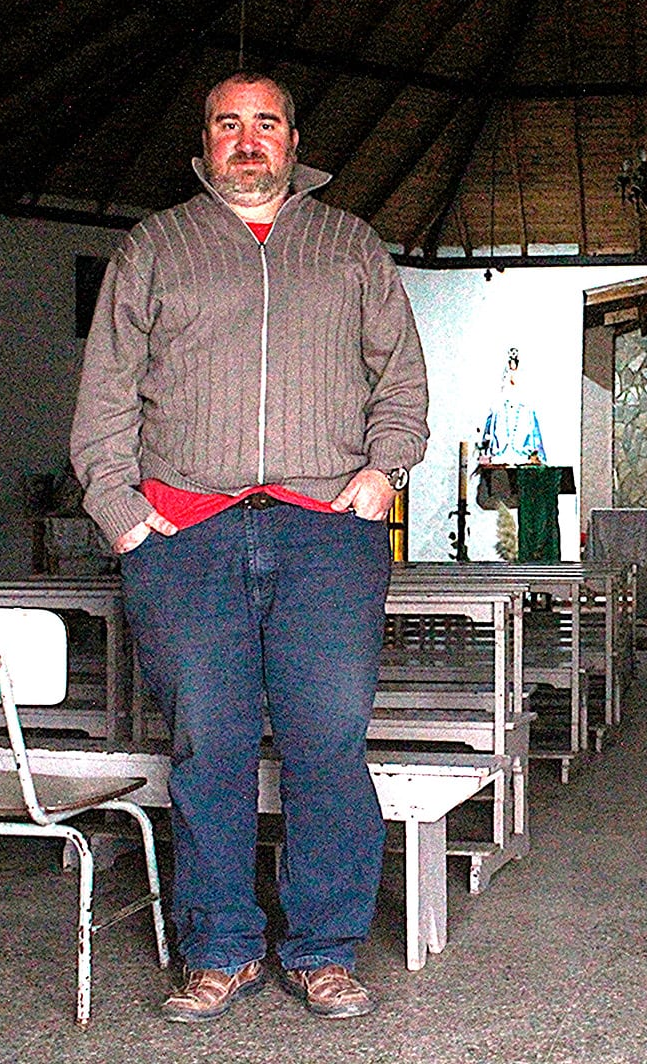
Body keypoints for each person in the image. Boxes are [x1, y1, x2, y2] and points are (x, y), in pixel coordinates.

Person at [69, 71, 428, 1024]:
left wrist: (381, 473)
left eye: (265, 123)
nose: (247, 139)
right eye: (229, 124)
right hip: (185, 536)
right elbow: (104, 400)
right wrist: (124, 517)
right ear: (205, 139)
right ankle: (221, 949)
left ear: (293, 138)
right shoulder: (154, 247)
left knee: (327, 741)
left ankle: (322, 950)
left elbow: (403, 381)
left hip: (325, 532)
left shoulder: (350, 246)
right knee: (209, 747)